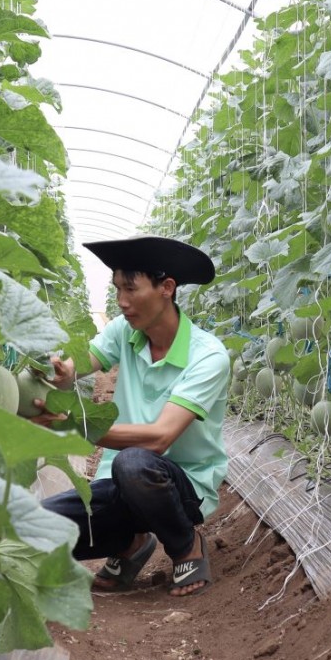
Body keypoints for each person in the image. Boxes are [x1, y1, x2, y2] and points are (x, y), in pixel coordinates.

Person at [31, 235, 230, 597]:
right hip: (118, 485)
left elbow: (160, 438)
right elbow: (82, 362)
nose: (121, 302)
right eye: (117, 289)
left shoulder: (208, 356)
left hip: (180, 486)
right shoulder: (125, 332)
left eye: (130, 289)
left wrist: (78, 426)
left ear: (166, 288)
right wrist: (63, 373)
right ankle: (131, 545)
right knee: (33, 527)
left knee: (135, 463)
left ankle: (185, 545)